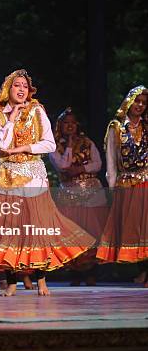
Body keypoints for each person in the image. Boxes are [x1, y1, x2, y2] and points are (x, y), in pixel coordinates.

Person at [0, 69, 93, 296]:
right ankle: (12, 282)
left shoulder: (37, 111)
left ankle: (41, 279)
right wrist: (11, 118)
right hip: (4, 176)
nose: (21, 89)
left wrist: (23, 148)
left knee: (36, 228)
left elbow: (49, 144)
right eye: (16, 85)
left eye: (24, 86)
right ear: (7, 89)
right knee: (7, 230)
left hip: (33, 176)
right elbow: (2, 143)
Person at [49, 108, 108, 286]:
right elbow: (63, 165)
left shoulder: (87, 142)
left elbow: (97, 164)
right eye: (66, 123)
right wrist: (68, 145)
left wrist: (82, 169)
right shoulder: (54, 146)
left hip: (91, 192)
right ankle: (75, 274)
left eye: (73, 122)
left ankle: (91, 273)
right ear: (60, 125)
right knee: (73, 235)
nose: (70, 126)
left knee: (92, 234)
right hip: (69, 193)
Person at [97, 86, 148, 287]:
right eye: (137, 101)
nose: (140, 106)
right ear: (129, 101)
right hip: (126, 183)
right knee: (133, 228)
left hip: (146, 180)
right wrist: (112, 188)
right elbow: (111, 160)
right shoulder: (116, 127)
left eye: (144, 103)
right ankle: (142, 270)